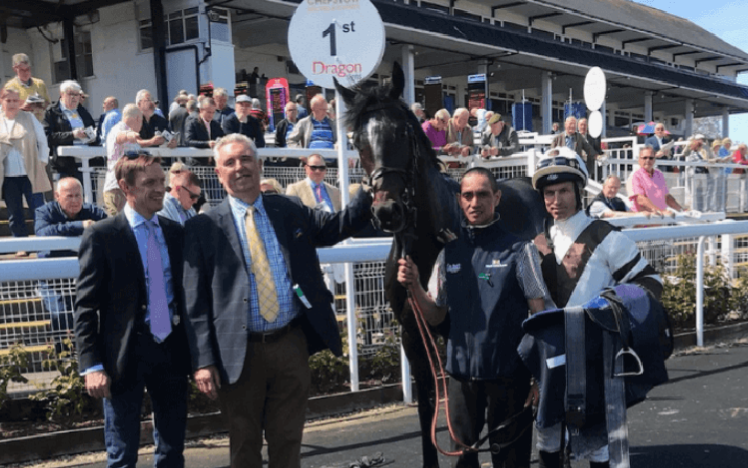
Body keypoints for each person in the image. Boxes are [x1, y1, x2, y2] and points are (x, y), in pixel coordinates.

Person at [182, 133, 374, 468]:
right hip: (237, 354)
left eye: (245, 160)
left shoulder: (288, 209)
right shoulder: (203, 227)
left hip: (290, 345)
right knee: (244, 446)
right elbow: (194, 301)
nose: (239, 168)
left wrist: (368, 191)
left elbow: (335, 228)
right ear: (218, 173)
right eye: (230, 162)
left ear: (259, 165)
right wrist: (202, 360)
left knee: (288, 443)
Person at [397, 166, 545, 468]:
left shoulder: (522, 250)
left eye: (482, 194)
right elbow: (436, 313)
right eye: (467, 195)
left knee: (511, 463)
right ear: (459, 201)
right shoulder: (448, 254)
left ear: (497, 197)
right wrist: (414, 285)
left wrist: (540, 377)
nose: (474, 202)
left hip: (510, 380)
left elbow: (539, 316)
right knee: (463, 463)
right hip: (462, 381)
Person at [529, 148, 663, 468]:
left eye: (563, 191)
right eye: (549, 192)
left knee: (598, 442)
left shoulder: (606, 235)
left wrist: (610, 308)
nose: (556, 199)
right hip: (550, 356)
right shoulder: (536, 241)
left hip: (595, 353)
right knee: (547, 434)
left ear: (578, 192)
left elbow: (650, 283)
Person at [75, 152, 192, 468]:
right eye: (149, 183)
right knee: (122, 455)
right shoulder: (102, 235)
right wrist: (91, 365)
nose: (159, 189)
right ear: (126, 188)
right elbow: (85, 307)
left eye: (161, 182)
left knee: (171, 452)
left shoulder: (176, 232)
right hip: (123, 356)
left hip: (171, 350)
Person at [35, 177, 106, 335]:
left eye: (78, 195)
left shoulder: (92, 212)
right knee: (61, 315)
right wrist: (80, 225)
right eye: (69, 196)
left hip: (85, 275)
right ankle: (62, 355)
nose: (75, 200)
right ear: (57, 196)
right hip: (53, 276)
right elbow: (42, 233)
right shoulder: (44, 212)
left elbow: (111, 228)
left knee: (91, 317)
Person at [1, 85, 52, 257]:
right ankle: (21, 244)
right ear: (2, 100)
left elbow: (42, 141)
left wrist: (43, 161)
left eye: (16, 100)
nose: (12, 103)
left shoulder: (29, 118)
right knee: (14, 213)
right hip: (8, 176)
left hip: (30, 173)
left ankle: (42, 243)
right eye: (9, 100)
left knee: (38, 209)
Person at [44, 80, 98, 180]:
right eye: (70, 94)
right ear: (62, 94)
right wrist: (72, 135)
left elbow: (93, 129)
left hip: (87, 162)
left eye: (76, 94)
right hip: (65, 165)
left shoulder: (83, 111)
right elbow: (48, 137)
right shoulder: (52, 112)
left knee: (90, 194)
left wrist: (91, 134)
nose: (73, 97)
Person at [102, 104, 145, 217]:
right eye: (141, 121)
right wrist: (129, 135)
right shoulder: (118, 129)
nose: (141, 125)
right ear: (137, 119)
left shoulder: (131, 135)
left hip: (126, 188)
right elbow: (120, 137)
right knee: (121, 228)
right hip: (117, 188)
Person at [629, 145, 683, 216]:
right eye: (645, 158)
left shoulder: (659, 174)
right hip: (645, 218)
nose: (648, 160)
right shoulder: (635, 175)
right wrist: (660, 211)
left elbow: (666, 197)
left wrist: (682, 210)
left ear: (654, 160)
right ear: (639, 160)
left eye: (651, 158)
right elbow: (640, 199)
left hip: (660, 217)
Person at [681, 135, 726, 212]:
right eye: (700, 141)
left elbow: (706, 159)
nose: (701, 143)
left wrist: (711, 160)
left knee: (701, 194)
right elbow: (685, 155)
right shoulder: (690, 151)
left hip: (702, 175)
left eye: (702, 141)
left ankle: (701, 210)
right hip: (693, 176)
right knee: (695, 194)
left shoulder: (702, 152)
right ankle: (695, 210)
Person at [5, 53, 51, 123]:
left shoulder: (40, 83)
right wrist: (22, 108)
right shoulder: (10, 87)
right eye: (22, 70)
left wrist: (40, 106)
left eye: (28, 69)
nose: (26, 72)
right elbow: (7, 111)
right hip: (22, 125)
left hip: (39, 124)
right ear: (14, 69)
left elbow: (47, 102)